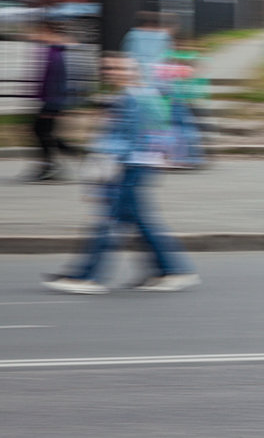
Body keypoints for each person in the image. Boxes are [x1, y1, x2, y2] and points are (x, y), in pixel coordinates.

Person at [42, 53, 199, 295]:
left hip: (129, 167)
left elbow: (140, 138)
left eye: (119, 68)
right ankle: (170, 270)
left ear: (134, 71)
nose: (112, 72)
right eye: (109, 68)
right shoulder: (128, 97)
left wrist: (105, 165)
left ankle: (89, 276)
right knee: (139, 222)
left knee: (107, 222)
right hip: (130, 166)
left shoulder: (137, 98)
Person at [27, 20, 83, 181]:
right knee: (43, 132)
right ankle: (52, 164)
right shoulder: (52, 50)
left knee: (41, 131)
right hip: (50, 99)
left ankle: (54, 164)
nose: (38, 35)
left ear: (50, 32)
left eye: (42, 31)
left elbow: (59, 81)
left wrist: (52, 107)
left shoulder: (57, 53)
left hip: (53, 100)